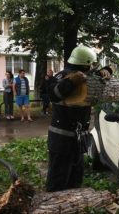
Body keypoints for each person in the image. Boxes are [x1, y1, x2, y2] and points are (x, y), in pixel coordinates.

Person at [46, 45, 113, 192]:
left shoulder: (87, 77)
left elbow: (103, 73)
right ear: (85, 63)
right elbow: (52, 93)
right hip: (62, 140)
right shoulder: (64, 76)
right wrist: (71, 82)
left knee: (76, 180)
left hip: (78, 141)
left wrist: (107, 71)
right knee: (58, 182)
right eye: (90, 64)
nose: (91, 67)